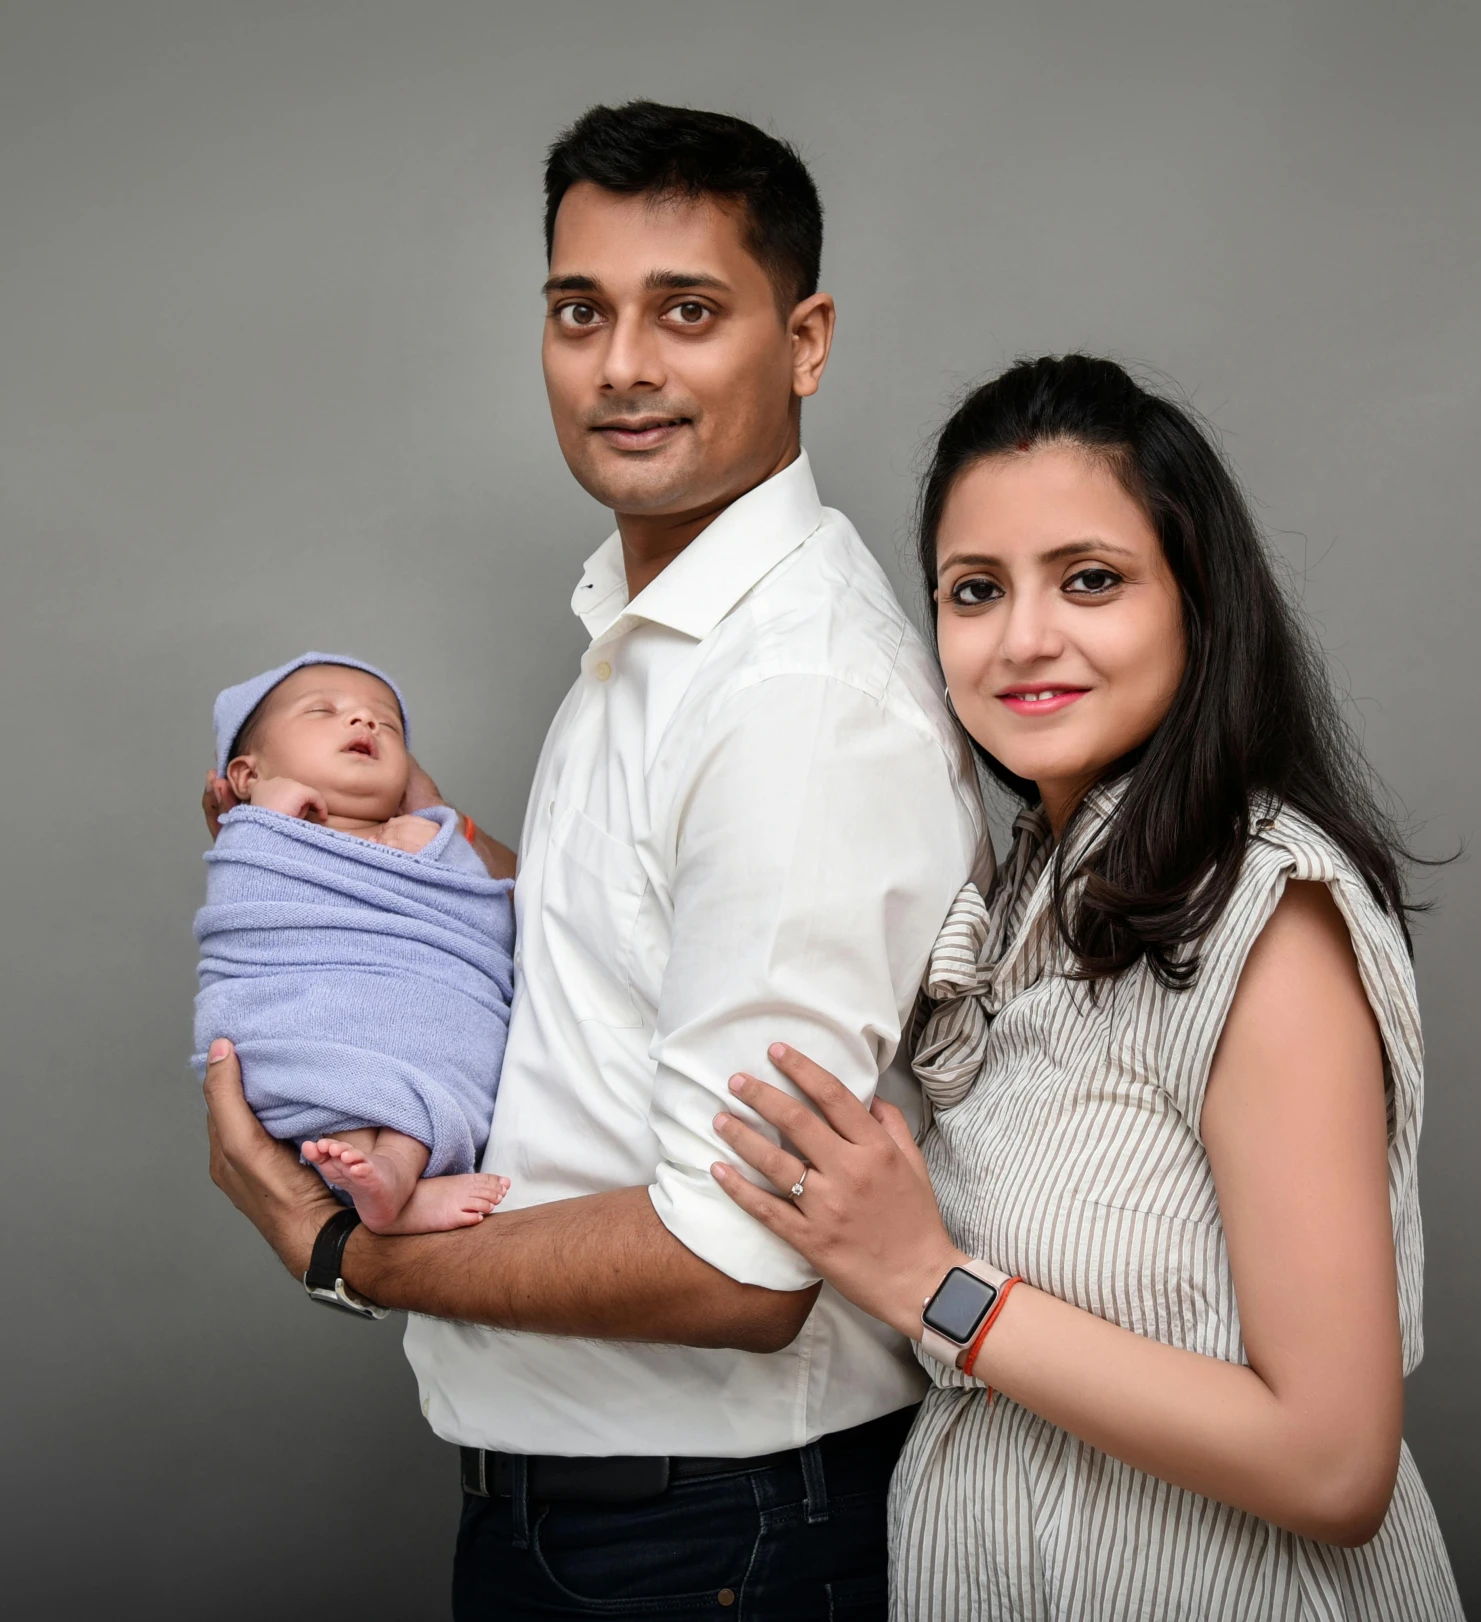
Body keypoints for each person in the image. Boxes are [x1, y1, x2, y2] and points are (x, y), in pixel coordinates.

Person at [198, 103, 982, 1619]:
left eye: (686, 311)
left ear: (803, 340)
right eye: (579, 311)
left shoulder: (791, 701)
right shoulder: (661, 640)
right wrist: (366, 858)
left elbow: (736, 1268)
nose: (621, 365)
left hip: (713, 1544)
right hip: (626, 1528)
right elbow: (623, 943)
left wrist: (343, 1255)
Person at [709, 355, 1466, 1618]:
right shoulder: (1023, 903)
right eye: (974, 590)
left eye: (1092, 580)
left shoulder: (1262, 920)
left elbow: (1334, 1462)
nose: (1023, 639)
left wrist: (931, 1281)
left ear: (1199, 603)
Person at [195, 653, 514, 1236]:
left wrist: (433, 837)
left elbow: (484, 924)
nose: (365, 724)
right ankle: (376, 1179)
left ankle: (395, 1177)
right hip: (305, 1008)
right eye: (324, 711)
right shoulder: (256, 835)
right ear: (245, 774)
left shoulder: (438, 839)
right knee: (340, 1073)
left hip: (435, 1007)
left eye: (386, 725)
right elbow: (246, 910)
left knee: (439, 1062)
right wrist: (264, 824)